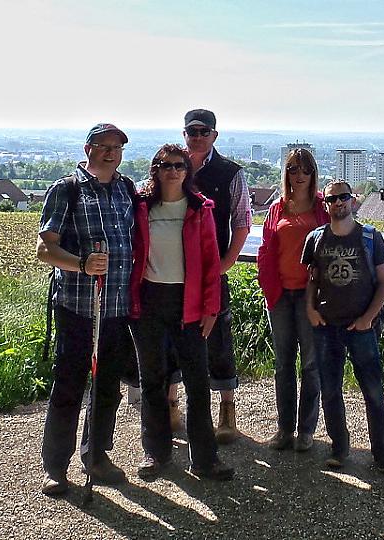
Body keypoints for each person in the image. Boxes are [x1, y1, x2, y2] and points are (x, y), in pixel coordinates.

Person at [36, 123, 136, 495]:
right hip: (78, 307)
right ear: (88, 149)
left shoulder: (126, 189)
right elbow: (45, 249)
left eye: (117, 147)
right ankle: (55, 467)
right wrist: (81, 264)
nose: (111, 153)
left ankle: (96, 455)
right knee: (70, 386)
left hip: (116, 307)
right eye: (103, 146)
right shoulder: (67, 189)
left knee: (107, 387)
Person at [128, 144, 234, 481]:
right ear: (156, 170)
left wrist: (211, 308)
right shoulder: (141, 207)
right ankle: (155, 454)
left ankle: (204, 459)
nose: (172, 171)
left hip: (188, 303)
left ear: (187, 171)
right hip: (149, 301)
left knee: (197, 382)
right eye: (166, 165)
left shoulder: (200, 209)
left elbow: (211, 264)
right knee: (152, 380)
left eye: (179, 165)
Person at [301, 179, 384, 472]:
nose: (338, 203)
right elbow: (312, 280)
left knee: (373, 392)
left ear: (353, 200)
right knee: (330, 391)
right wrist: (310, 310)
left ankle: (382, 454)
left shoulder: (370, 237)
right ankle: (339, 448)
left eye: (343, 197)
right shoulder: (316, 239)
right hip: (326, 326)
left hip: (361, 327)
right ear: (326, 204)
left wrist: (368, 318)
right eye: (332, 199)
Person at [179, 109, 252, 443]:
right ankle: (171, 406)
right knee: (173, 338)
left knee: (219, 339)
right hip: (173, 271)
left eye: (203, 131)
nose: (197, 137)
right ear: (184, 134)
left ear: (214, 135)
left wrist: (224, 265)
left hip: (211, 271)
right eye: (192, 131)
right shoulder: (171, 166)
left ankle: (226, 410)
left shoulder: (230, 173)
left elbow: (242, 221)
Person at [257, 148, 329, 451]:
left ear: (313, 174)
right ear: (286, 173)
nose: (299, 175)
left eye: (305, 169)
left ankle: (306, 430)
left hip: (311, 295)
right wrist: (267, 287)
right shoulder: (277, 208)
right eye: (293, 169)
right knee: (283, 363)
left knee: (311, 364)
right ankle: (285, 429)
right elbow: (266, 250)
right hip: (280, 294)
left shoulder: (322, 208)